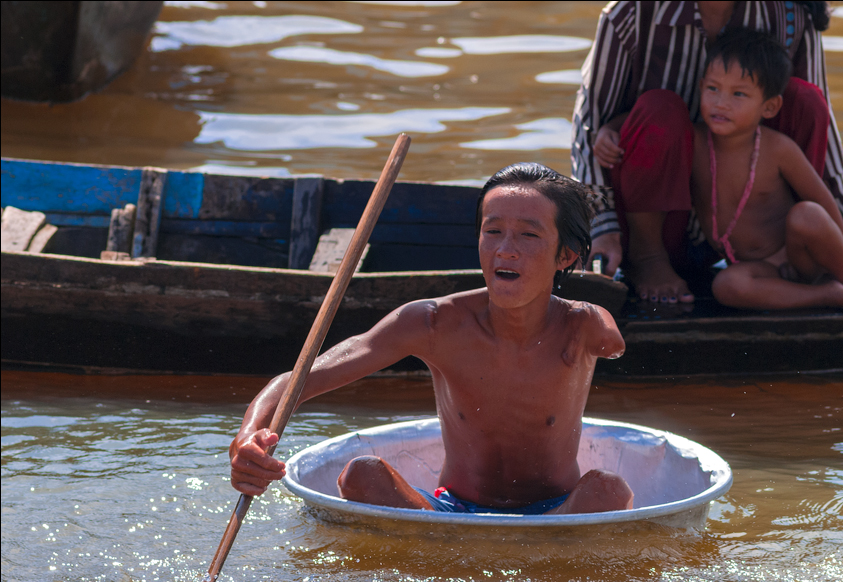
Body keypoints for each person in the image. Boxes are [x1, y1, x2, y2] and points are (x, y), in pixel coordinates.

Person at [229, 163, 631, 515]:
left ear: (566, 256)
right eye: (493, 231)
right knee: (361, 475)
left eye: (528, 236)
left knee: (607, 489)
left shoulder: (583, 325)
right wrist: (248, 439)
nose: (505, 250)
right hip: (447, 510)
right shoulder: (433, 323)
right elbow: (299, 379)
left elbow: (613, 343)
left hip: (556, 514)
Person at [571, 1, 843, 303]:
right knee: (660, 110)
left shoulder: (792, 14)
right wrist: (602, 226)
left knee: (805, 100)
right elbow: (592, 124)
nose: (722, 102)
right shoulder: (630, 12)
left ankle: (795, 258)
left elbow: (820, 116)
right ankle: (649, 258)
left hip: (759, 229)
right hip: (653, 218)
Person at [691, 28, 843, 311]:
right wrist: (610, 131)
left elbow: (823, 201)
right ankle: (826, 295)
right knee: (726, 285)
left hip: (797, 255)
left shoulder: (777, 149)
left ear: (770, 107)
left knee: (807, 214)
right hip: (758, 267)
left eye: (738, 93)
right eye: (713, 88)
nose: (721, 103)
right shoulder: (695, 142)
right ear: (700, 88)